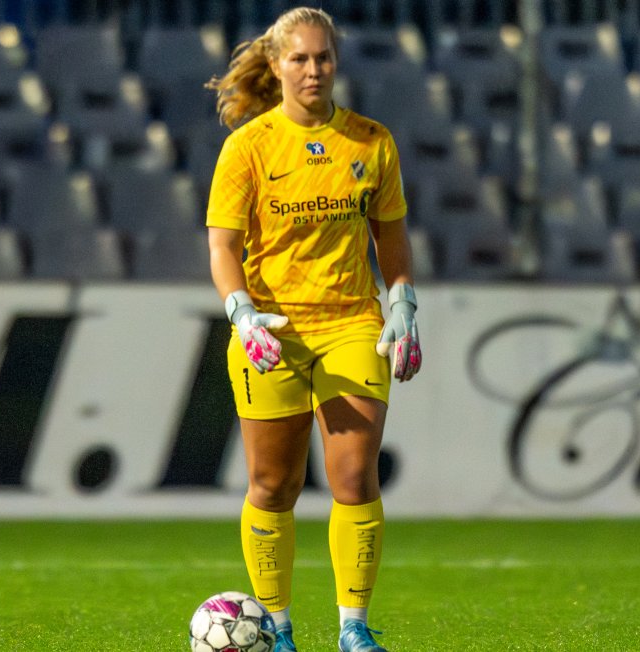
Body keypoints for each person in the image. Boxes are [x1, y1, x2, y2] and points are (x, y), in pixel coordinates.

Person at [204, 7, 421, 652]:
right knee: (274, 485)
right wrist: (241, 312)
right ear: (276, 65)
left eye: (323, 57)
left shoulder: (371, 141)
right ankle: (278, 627)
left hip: (353, 321)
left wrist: (404, 301)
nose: (313, 69)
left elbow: (393, 240)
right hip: (271, 327)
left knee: (354, 476)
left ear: (336, 62)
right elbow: (222, 247)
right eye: (298, 58)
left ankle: (353, 630)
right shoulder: (248, 146)